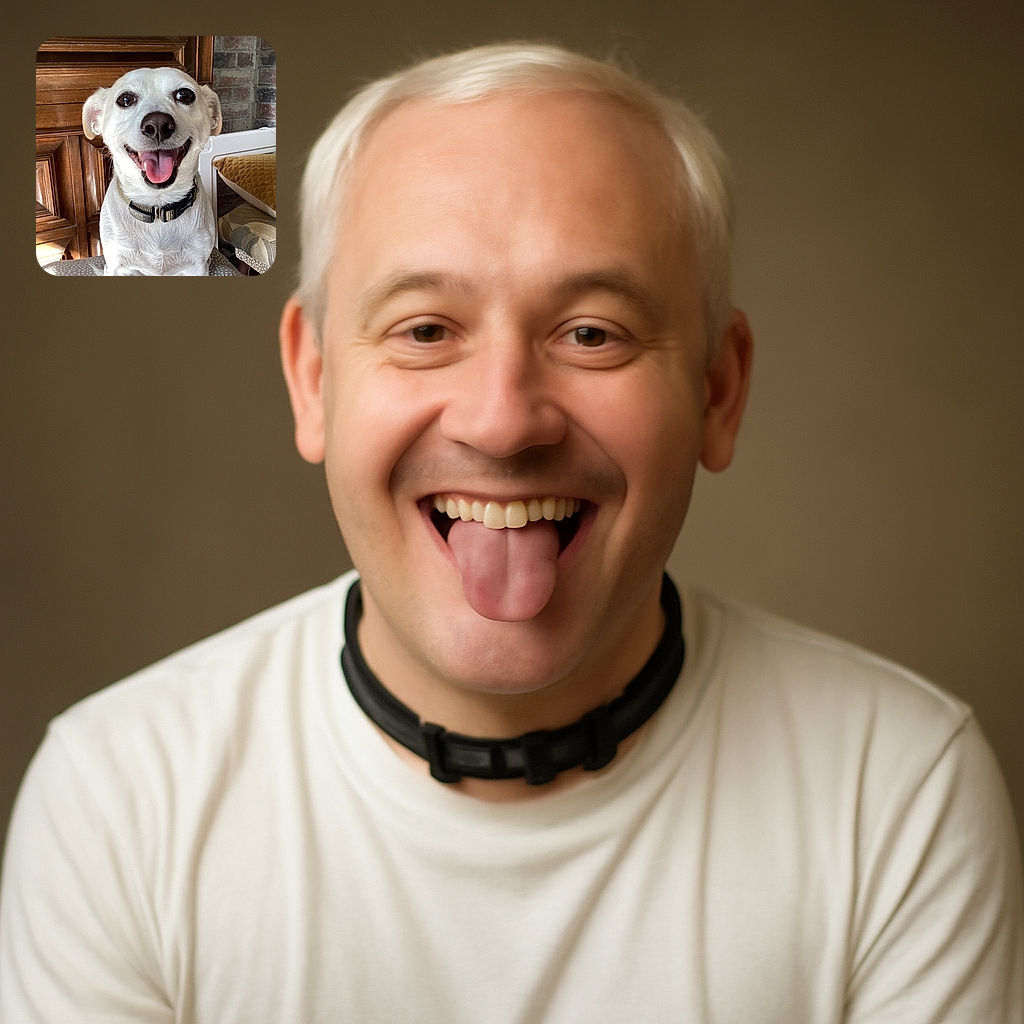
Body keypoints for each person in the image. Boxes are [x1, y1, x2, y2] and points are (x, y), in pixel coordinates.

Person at [2, 41, 1021, 1024]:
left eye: (590, 332)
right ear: (313, 378)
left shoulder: (895, 789)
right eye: (425, 330)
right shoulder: (117, 801)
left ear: (717, 388)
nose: (500, 419)